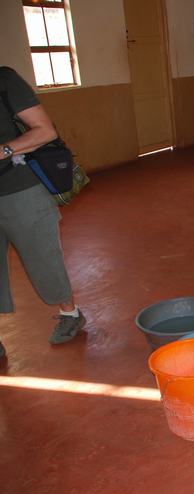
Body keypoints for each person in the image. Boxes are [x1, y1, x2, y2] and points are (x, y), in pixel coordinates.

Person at [0, 66, 85, 358]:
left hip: (19, 188)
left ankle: (70, 314)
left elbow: (45, 131)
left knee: (42, 258)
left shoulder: (4, 81)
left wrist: (4, 150)